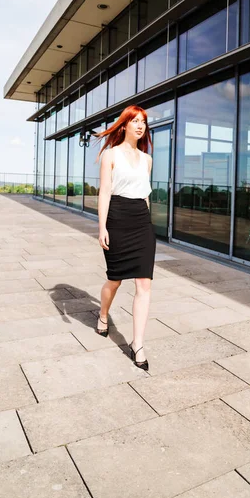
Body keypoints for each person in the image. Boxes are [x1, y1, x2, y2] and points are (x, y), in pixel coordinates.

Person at [95, 105, 155, 371]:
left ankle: (138, 343)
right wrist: (102, 227)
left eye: (143, 122)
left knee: (144, 285)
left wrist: (148, 226)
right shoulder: (110, 155)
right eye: (135, 121)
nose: (140, 126)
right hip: (117, 219)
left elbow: (145, 195)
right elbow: (105, 192)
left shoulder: (147, 159)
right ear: (124, 125)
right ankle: (103, 313)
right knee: (115, 279)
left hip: (141, 221)